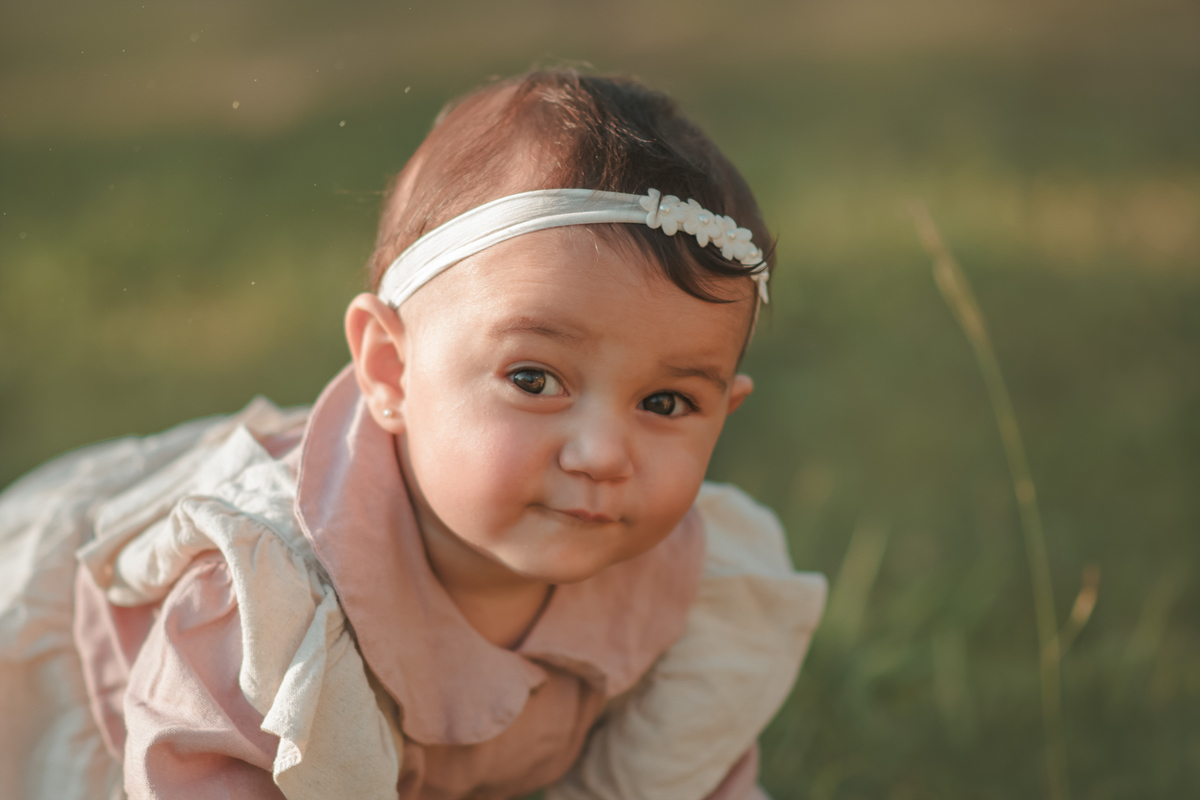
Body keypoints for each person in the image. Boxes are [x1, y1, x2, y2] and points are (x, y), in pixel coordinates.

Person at [0, 68, 826, 800]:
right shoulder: (261, 610)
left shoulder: (692, 587)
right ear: (390, 372)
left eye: (667, 404)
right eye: (533, 380)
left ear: (724, 412)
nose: (604, 453)